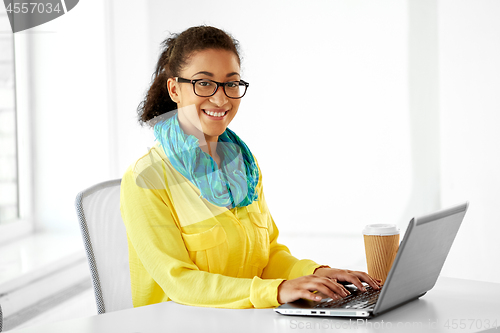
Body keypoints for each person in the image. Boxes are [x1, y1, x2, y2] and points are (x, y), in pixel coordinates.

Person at [120, 25, 381, 309]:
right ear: (174, 89)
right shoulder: (144, 180)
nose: (221, 98)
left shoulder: (243, 164)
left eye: (231, 83)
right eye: (204, 83)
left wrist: (316, 273)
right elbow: (180, 283)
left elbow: (267, 257)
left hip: (245, 322)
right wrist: (277, 291)